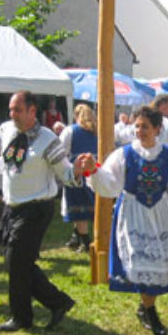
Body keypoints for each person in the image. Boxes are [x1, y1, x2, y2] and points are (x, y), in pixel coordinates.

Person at [80, 105, 168, 335]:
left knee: (159, 261)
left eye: (145, 126)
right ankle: (150, 310)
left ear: (157, 129)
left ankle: (146, 306)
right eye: (136, 126)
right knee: (141, 260)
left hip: (160, 213)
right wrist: (92, 169)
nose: (139, 131)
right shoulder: (123, 154)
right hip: (134, 211)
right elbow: (109, 182)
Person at [0, 91, 79, 332]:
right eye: (11, 109)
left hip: (37, 207)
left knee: (17, 261)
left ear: (32, 111)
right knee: (17, 262)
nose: (12, 114)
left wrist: (81, 171)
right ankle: (58, 302)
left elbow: (67, 175)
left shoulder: (47, 139)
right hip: (13, 206)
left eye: (18, 110)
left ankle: (22, 317)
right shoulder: (6, 131)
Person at [60, 104, 98, 252]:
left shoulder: (70, 131)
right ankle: (76, 238)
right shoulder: (97, 131)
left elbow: (60, 151)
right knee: (91, 206)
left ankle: (85, 242)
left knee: (79, 208)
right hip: (95, 171)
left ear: (76, 116)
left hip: (78, 172)